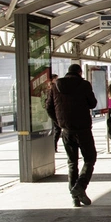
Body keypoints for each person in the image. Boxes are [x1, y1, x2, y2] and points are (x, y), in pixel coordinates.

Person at [45, 64, 98, 207]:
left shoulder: (55, 86)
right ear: (80, 73)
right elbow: (93, 104)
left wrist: (59, 123)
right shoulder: (84, 84)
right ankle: (80, 186)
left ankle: (75, 197)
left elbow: (48, 107)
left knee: (72, 162)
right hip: (83, 129)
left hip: (66, 130)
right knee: (90, 158)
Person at [48, 74, 62, 152]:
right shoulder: (54, 88)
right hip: (55, 113)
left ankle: (54, 147)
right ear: (52, 79)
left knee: (57, 130)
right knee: (57, 130)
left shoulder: (52, 88)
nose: (57, 80)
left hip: (54, 113)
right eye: (56, 78)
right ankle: (53, 147)